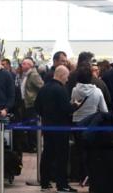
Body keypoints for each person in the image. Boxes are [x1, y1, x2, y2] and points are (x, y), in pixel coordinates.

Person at [34, 65, 77, 193]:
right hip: (61, 128)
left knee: (47, 155)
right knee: (61, 157)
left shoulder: (44, 88)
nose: (68, 79)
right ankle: (62, 184)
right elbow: (67, 109)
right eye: (67, 76)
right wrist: (75, 106)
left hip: (47, 126)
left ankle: (45, 183)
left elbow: (37, 107)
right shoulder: (61, 90)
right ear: (62, 75)